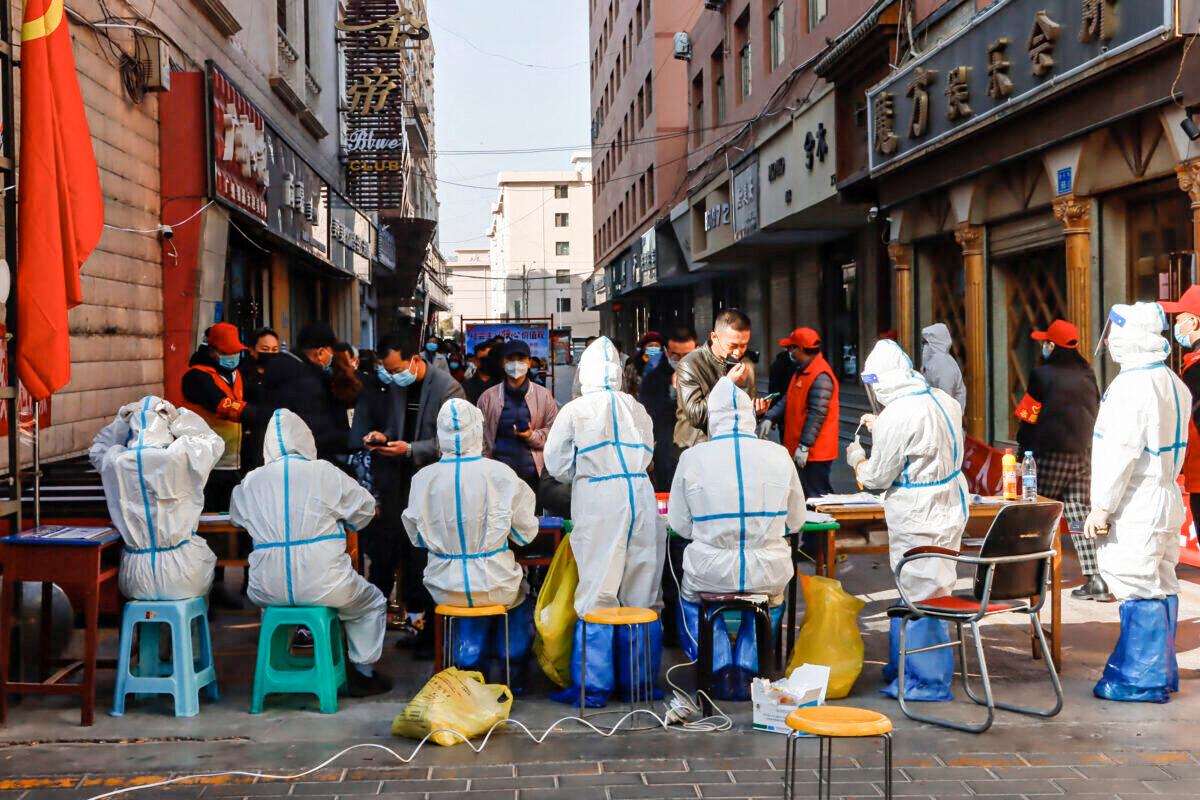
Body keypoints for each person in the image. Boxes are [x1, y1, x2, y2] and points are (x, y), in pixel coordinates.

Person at [231, 409, 391, 696]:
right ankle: (363, 672)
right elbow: (364, 508)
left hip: (266, 587)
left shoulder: (252, 481)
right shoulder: (324, 472)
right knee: (371, 604)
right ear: (306, 439)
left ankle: (279, 667)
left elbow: (237, 518)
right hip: (325, 584)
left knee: (275, 609)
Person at [544, 337, 666, 707]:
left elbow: (558, 466)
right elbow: (648, 453)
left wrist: (590, 470)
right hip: (641, 496)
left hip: (600, 500)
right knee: (642, 589)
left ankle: (594, 687)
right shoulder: (636, 407)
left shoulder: (576, 410)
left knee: (598, 589)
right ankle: (639, 683)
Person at [668, 378, 806, 699]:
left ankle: (715, 666)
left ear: (712, 417)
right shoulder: (779, 455)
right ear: (750, 415)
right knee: (771, 599)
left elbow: (680, 525)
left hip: (709, 572)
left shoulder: (692, 457)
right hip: (768, 571)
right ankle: (750, 668)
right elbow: (796, 521)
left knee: (690, 599)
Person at [846, 339, 968, 703]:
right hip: (949, 505)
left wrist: (857, 459)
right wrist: (882, 426)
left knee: (922, 595)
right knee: (933, 587)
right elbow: (925, 441)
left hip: (918, 512)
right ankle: (904, 666)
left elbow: (877, 478)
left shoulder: (898, 415)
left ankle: (926, 681)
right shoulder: (942, 400)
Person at [1086, 301, 1189, 703]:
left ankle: (1140, 680)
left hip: (1138, 499)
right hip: (1164, 494)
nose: (1109, 341)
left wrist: (1102, 507)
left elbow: (1118, 454)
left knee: (1137, 584)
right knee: (1162, 580)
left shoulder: (1131, 387)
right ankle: (1162, 673)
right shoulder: (1172, 381)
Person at [402, 399, 540, 687]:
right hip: (496, 584)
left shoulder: (422, 479)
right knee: (519, 594)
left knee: (469, 603)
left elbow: (416, 537)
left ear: (440, 435)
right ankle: (512, 672)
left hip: (443, 587)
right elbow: (526, 534)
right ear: (478, 431)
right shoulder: (501, 475)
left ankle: (463, 670)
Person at [351, 334, 465, 655]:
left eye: (397, 368)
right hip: (397, 485)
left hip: (430, 484)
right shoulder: (398, 386)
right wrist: (382, 436)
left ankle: (430, 633)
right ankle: (410, 626)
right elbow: (394, 426)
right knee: (393, 552)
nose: (392, 376)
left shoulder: (447, 388)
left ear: (415, 359)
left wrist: (410, 449)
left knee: (424, 559)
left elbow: (451, 441)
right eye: (387, 371)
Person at [90, 397, 222, 601]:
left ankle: (147, 630)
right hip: (182, 573)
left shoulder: (116, 461)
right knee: (199, 578)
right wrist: (178, 418)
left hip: (134, 576)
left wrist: (121, 421)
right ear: (166, 427)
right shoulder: (179, 456)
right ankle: (187, 631)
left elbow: (98, 448)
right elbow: (212, 442)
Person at [1017, 319, 1107, 601]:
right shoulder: (1088, 375)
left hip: (1049, 454)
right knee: (1080, 515)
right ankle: (1096, 579)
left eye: (1046, 342)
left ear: (1052, 345)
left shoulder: (1041, 375)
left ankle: (1033, 576)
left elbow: (1028, 418)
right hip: (1083, 456)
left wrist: (1023, 453)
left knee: (1038, 516)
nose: (1044, 346)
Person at [181, 322, 255, 511]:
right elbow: (220, 404)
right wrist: (255, 413)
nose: (233, 357)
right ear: (213, 351)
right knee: (212, 515)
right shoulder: (196, 377)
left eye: (236, 352)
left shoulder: (237, 374)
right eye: (227, 353)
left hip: (234, 461)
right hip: (208, 465)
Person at [674, 309, 769, 450]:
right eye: (732, 345)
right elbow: (696, 416)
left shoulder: (745, 365)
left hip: (732, 447)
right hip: (696, 446)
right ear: (714, 337)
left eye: (744, 345)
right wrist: (726, 384)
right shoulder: (690, 363)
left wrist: (757, 412)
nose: (738, 352)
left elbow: (741, 415)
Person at [763, 327, 840, 500]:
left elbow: (817, 413)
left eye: (791, 348)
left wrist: (805, 445)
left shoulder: (820, 375)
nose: (789, 352)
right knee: (804, 495)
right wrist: (770, 416)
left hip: (815, 452)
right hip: (802, 447)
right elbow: (788, 399)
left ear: (800, 349)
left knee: (817, 495)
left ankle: (826, 527)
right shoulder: (802, 371)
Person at [261, 322, 349, 463]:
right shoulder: (308, 382)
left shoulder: (279, 369)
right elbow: (317, 431)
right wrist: (347, 440)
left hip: (276, 455)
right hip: (307, 458)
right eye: (331, 353)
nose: (331, 358)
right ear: (320, 353)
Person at [478, 339, 558, 494]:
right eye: (510, 359)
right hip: (497, 477)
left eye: (521, 359)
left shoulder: (544, 396)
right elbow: (478, 435)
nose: (515, 364)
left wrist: (531, 436)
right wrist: (484, 465)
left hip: (533, 476)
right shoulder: (487, 398)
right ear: (502, 362)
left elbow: (555, 433)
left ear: (529, 362)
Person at [622, 332, 676, 491]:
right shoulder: (633, 365)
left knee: (663, 459)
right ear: (643, 348)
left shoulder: (667, 366)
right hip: (639, 418)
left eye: (656, 346)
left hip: (663, 419)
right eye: (649, 346)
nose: (653, 349)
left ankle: (663, 492)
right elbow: (627, 390)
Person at [920, 323, 967, 411]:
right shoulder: (934, 361)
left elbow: (945, 398)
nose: (923, 347)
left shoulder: (944, 365)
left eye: (926, 342)